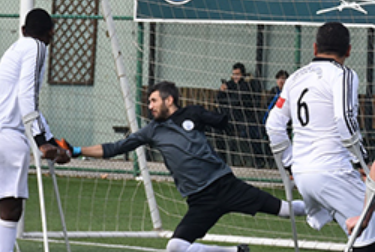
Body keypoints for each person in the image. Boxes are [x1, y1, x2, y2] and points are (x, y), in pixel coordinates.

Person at [61, 81, 305, 252]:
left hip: (226, 185)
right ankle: (234, 251)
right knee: (175, 247)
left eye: (154, 100)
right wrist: (76, 151)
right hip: (200, 201)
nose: (150, 105)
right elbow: (113, 148)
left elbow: (226, 122)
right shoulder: (151, 131)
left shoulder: (193, 114)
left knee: (286, 210)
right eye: (149, 101)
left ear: (170, 100)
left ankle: (334, 210)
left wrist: (236, 120)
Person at [266, 22, 375, 251]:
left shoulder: (294, 79)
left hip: (304, 173)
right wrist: (361, 163)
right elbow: (345, 120)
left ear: (314, 48)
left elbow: (274, 125)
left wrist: (289, 164)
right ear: (349, 51)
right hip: (333, 170)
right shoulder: (343, 75)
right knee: (369, 229)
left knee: (357, 228)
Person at [0, 8, 70, 252]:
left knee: (9, 208)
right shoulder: (37, 48)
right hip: (8, 134)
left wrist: (52, 140)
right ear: (51, 32)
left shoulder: (15, 49)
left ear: (23, 30)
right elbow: (27, 97)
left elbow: (29, 104)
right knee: (11, 210)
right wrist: (42, 142)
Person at [216, 62, 263, 167]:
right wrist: (221, 91)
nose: (235, 76)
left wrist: (226, 99)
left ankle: (258, 161)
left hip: (243, 118)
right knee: (217, 129)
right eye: (234, 74)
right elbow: (218, 99)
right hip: (229, 118)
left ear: (242, 74)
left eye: (237, 74)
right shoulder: (229, 84)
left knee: (250, 131)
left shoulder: (246, 85)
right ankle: (222, 160)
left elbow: (238, 101)